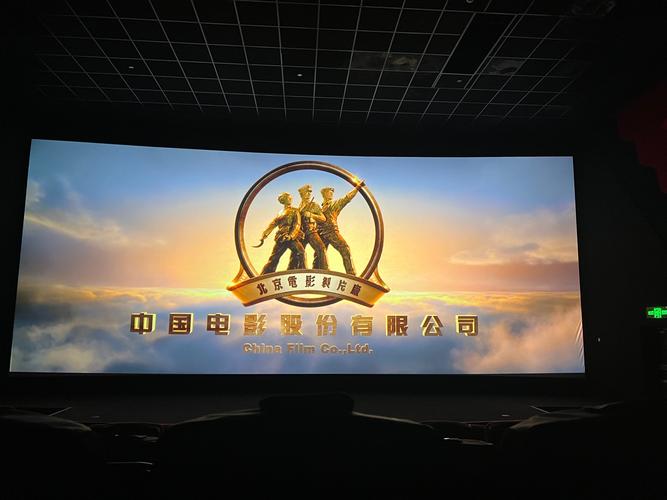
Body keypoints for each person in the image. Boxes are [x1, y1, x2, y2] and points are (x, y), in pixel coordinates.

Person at [319, 181, 363, 275]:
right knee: (322, 253)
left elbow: (347, 198)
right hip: (325, 233)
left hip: (330, 231)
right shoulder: (320, 208)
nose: (331, 194)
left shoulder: (335, 204)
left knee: (344, 249)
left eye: (332, 192)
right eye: (329, 192)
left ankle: (351, 274)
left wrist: (357, 188)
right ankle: (319, 272)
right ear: (324, 194)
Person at [258, 192, 305, 275]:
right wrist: (265, 234)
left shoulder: (295, 210)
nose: (291, 199)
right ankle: (265, 275)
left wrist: (291, 236)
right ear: (283, 200)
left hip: (290, 237)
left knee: (300, 252)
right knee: (274, 257)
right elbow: (273, 224)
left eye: (291, 198)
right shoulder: (280, 213)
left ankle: (299, 272)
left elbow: (297, 224)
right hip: (281, 237)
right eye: (288, 198)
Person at [288, 184, 328, 270]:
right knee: (296, 253)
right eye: (306, 192)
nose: (309, 194)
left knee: (321, 248)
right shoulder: (299, 207)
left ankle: (324, 270)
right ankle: (292, 270)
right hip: (301, 233)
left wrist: (311, 215)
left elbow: (323, 218)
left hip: (311, 230)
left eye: (310, 192)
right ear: (301, 194)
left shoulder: (314, 205)